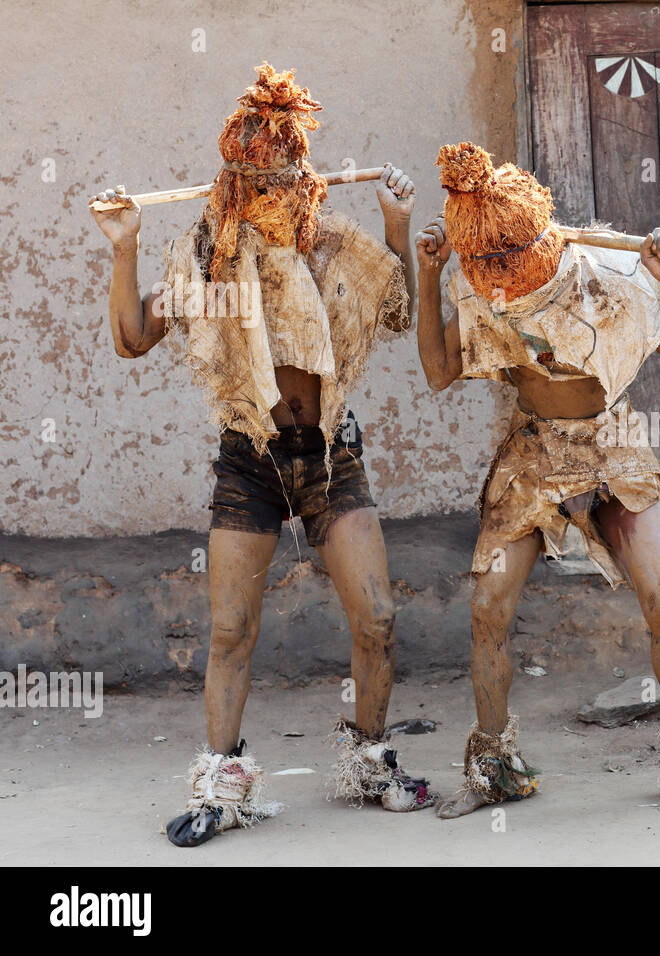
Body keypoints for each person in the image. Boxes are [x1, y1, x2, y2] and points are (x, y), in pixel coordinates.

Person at [89, 63, 436, 847]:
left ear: (300, 166)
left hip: (330, 456)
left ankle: (371, 761)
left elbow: (395, 311)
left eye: (284, 161)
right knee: (229, 630)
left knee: (378, 616)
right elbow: (132, 339)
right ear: (235, 170)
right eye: (254, 164)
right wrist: (125, 247)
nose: (271, 176)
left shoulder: (332, 241)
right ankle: (221, 783)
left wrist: (393, 224)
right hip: (250, 456)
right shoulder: (207, 249)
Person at [415, 142, 660, 816]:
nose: (500, 278)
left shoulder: (610, 277)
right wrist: (428, 276)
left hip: (611, 444)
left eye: (507, 263)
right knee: (487, 610)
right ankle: (493, 766)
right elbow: (441, 371)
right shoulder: (480, 287)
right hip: (533, 449)